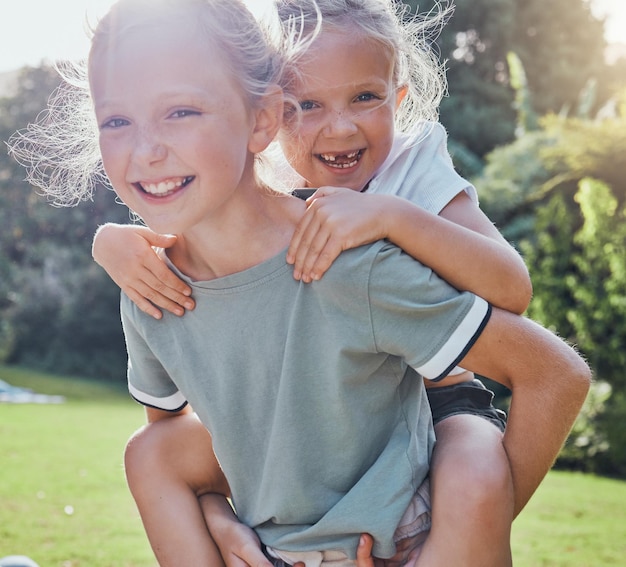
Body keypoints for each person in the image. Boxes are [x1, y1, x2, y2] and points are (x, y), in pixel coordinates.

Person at [8, 0, 590, 566]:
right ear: (279, 119)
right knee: (148, 453)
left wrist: (463, 535)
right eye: (117, 120)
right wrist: (213, 512)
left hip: (433, 413)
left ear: (259, 119)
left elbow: (522, 309)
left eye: (180, 111)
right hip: (310, 477)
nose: (148, 149)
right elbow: (170, 437)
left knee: (474, 468)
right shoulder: (155, 274)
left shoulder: (375, 224)